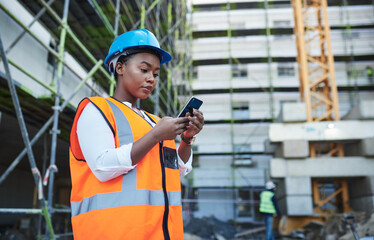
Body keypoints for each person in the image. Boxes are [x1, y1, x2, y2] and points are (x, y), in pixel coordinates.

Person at [69, 29, 204, 240]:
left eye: (156, 73)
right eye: (144, 69)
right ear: (120, 68)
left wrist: (186, 139)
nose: (151, 79)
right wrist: (156, 135)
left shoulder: (156, 122)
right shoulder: (96, 109)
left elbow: (174, 172)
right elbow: (103, 167)